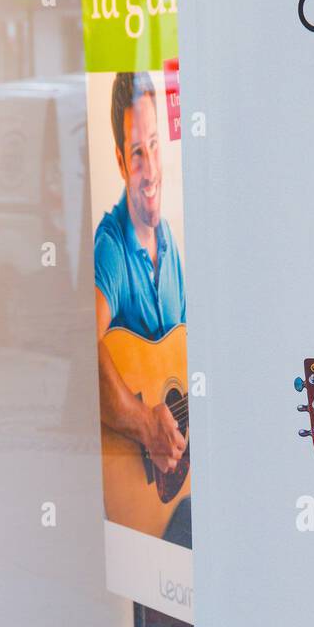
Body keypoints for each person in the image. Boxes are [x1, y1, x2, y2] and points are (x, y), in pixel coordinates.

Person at [94, 70, 190, 546]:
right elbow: (81, 344)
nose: (150, 168)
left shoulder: (170, 244)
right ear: (119, 159)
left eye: (155, 145)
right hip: (139, 505)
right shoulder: (110, 247)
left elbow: (190, 363)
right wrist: (145, 425)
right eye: (137, 152)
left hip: (177, 499)